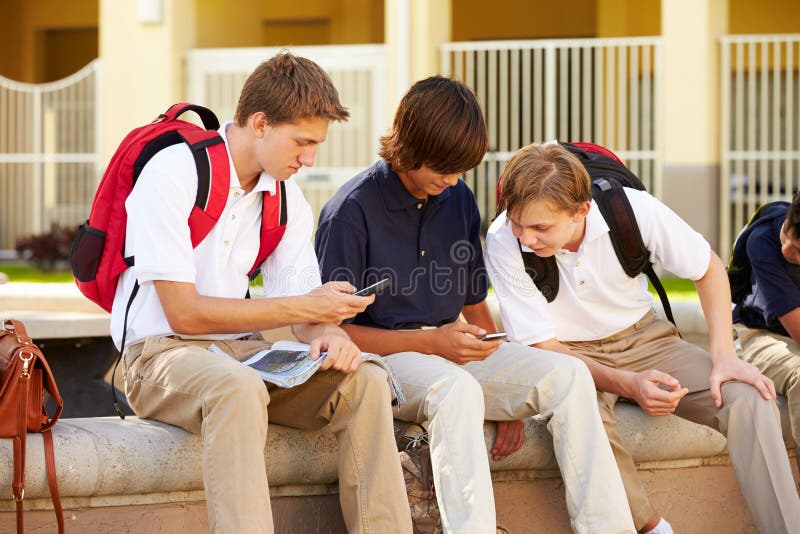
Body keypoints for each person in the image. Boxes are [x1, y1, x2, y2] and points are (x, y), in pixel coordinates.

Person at [315, 76, 635, 534]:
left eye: (461, 169)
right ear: (410, 146)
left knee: (569, 376)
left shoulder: (458, 199)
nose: (452, 179)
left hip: (448, 348)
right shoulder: (351, 210)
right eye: (443, 166)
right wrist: (432, 344)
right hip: (382, 359)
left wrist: (505, 391)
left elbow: (473, 301)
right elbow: (337, 335)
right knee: (458, 389)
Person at [113, 52, 412, 534]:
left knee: (365, 381)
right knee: (237, 388)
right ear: (259, 124)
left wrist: (329, 333)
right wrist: (306, 306)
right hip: (158, 355)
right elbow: (183, 313)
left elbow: (304, 311)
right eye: (303, 142)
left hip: (239, 353)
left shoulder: (286, 198)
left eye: (316, 145)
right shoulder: (173, 172)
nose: (310, 159)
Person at [485, 142, 800, 534]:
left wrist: (724, 357)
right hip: (565, 354)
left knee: (749, 399)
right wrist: (629, 384)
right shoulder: (503, 239)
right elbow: (542, 348)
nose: (525, 238)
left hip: (646, 339)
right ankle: (651, 528)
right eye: (518, 224)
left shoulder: (632, 209)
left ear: (581, 210)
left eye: (540, 228)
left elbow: (708, 268)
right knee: (581, 418)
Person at [732, 191, 800, 461]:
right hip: (758, 334)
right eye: (788, 236)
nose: (788, 251)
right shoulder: (762, 241)